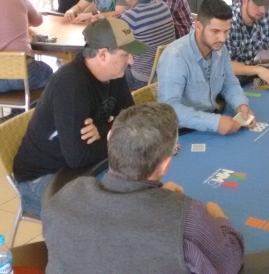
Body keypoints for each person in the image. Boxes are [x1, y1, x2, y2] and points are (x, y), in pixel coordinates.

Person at [42, 102, 245, 273]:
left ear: (110, 138)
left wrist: (159, 198)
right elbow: (230, 261)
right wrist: (218, 216)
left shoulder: (65, 197)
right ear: (165, 165)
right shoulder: (189, 218)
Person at [12, 18, 146, 217]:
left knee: (138, 194)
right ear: (102, 54)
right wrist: (114, 134)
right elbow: (79, 157)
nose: (132, 61)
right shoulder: (71, 85)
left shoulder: (113, 74)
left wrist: (101, 130)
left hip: (81, 169)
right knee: (111, 215)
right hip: (43, 179)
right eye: (125, 54)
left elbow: (132, 120)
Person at [157, 0, 254, 134]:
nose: (222, 39)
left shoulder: (220, 49)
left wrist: (240, 104)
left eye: (226, 31)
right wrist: (215, 122)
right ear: (198, 27)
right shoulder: (175, 56)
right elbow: (169, 110)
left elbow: (229, 83)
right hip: (183, 131)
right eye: (215, 31)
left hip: (211, 120)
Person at [117, 0, 176, 90]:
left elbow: (118, 43)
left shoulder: (131, 16)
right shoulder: (163, 6)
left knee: (111, 68)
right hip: (166, 72)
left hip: (142, 78)